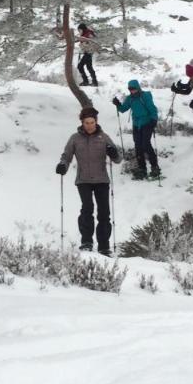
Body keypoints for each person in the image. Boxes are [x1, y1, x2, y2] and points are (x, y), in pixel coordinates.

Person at [55, 107, 121, 255]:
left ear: (96, 122)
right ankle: (86, 242)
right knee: (87, 208)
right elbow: (66, 156)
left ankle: (104, 246)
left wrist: (114, 153)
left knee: (104, 213)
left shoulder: (104, 137)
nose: (90, 125)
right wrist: (62, 166)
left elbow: (118, 159)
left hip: (102, 180)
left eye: (92, 122)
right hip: (83, 180)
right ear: (82, 122)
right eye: (87, 122)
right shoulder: (75, 138)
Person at [112, 79, 161, 179]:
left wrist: (154, 120)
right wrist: (118, 104)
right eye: (130, 89)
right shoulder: (130, 98)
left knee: (146, 144)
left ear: (138, 87)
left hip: (147, 123)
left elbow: (152, 108)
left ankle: (155, 167)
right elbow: (123, 109)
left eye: (134, 89)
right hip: (136, 125)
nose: (132, 91)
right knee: (138, 146)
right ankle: (142, 169)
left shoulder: (145, 96)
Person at [76, 21, 98, 86]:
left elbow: (90, 43)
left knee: (80, 66)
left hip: (89, 52)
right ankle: (94, 82)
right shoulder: (85, 34)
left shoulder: (88, 34)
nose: (79, 31)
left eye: (80, 30)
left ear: (83, 29)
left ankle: (86, 81)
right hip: (87, 52)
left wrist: (82, 43)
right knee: (89, 67)